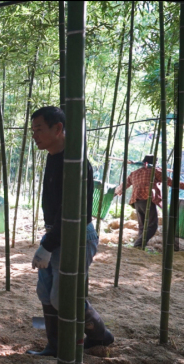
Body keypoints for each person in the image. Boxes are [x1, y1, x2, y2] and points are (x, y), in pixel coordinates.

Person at [26, 106, 114, 357]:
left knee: (63, 297)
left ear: (58, 128)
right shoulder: (53, 157)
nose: (35, 135)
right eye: (33, 130)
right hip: (55, 234)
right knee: (45, 292)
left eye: (39, 129)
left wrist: (48, 244)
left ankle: (101, 335)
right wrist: (48, 240)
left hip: (75, 237)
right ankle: (54, 345)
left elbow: (75, 213)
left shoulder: (76, 164)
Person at [114, 155, 183, 250]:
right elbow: (171, 182)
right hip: (148, 200)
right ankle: (137, 245)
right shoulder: (155, 172)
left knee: (143, 227)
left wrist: (115, 192)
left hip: (136, 202)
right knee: (152, 226)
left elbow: (123, 186)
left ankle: (139, 247)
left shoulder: (135, 173)